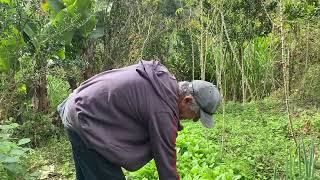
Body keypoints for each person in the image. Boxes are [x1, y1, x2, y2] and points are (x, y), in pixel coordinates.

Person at [57, 60, 221, 180]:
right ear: (187, 100)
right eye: (196, 116)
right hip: (85, 119)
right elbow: (166, 165)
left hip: (78, 108)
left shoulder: (164, 80)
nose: (191, 120)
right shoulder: (162, 110)